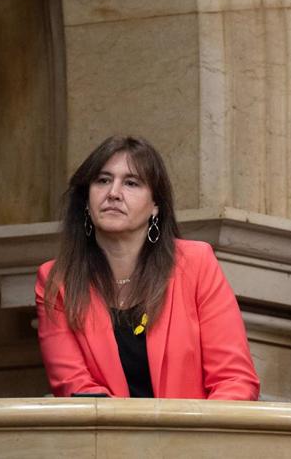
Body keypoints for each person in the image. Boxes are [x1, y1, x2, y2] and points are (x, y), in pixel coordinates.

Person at [36, 135, 260, 399]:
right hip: (108, 436)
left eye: (131, 183)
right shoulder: (56, 279)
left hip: (193, 435)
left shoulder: (196, 264)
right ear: (86, 200)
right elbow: (74, 386)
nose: (114, 193)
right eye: (103, 180)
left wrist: (198, 437)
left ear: (155, 206)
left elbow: (234, 379)